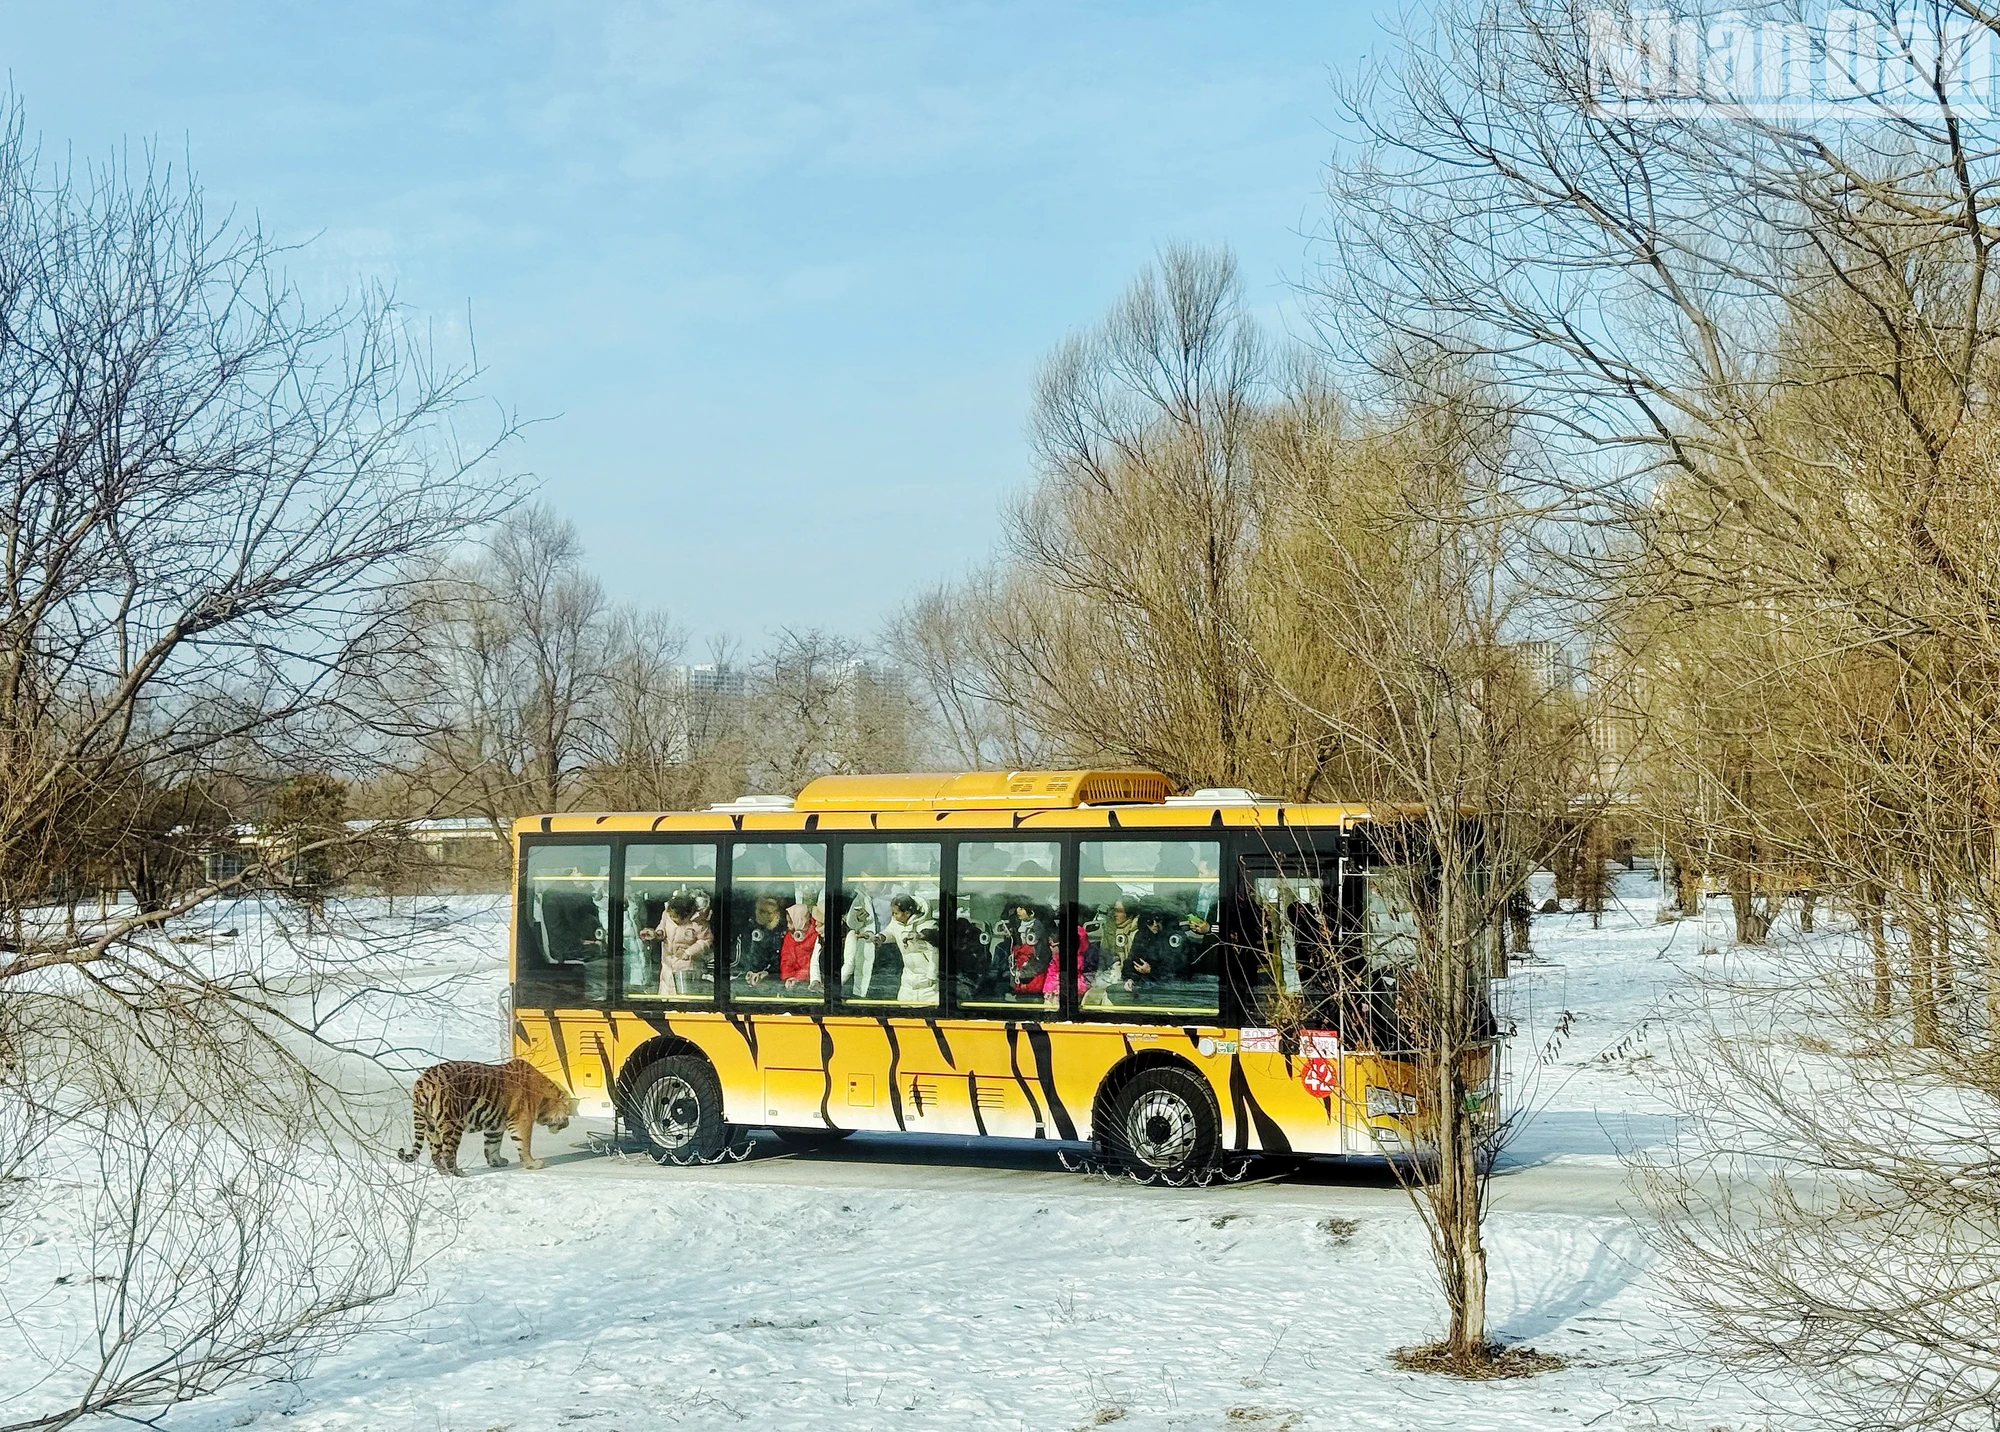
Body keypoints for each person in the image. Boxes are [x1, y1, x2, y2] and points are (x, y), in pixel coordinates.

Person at [640, 893, 713, 996]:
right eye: (671, 917)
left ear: (686, 916)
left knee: (684, 995)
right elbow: (662, 929)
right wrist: (656, 934)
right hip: (667, 964)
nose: (672, 920)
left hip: (687, 966)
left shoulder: (699, 923)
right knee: (666, 993)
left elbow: (706, 940)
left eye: (675, 918)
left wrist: (689, 952)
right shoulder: (666, 915)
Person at [882, 893, 940, 1004]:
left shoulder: (928, 924)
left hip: (928, 983)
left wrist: (931, 976)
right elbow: (890, 931)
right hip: (907, 980)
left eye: (896, 913)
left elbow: (934, 942)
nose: (893, 916)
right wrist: (881, 937)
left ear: (907, 913)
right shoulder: (896, 922)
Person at [737, 893, 785, 988]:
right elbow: (748, 959)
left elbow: (780, 960)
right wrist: (750, 972)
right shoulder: (750, 929)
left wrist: (768, 973)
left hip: (773, 980)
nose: (766, 916)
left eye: (770, 913)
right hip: (750, 977)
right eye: (762, 911)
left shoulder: (781, 931)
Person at [780, 898, 821, 992]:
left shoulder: (815, 935)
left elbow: (812, 963)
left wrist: (798, 978)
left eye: (790, 922)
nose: (788, 926)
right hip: (791, 982)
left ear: (800, 920)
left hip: (809, 982)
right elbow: (785, 959)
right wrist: (788, 978)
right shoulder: (789, 937)